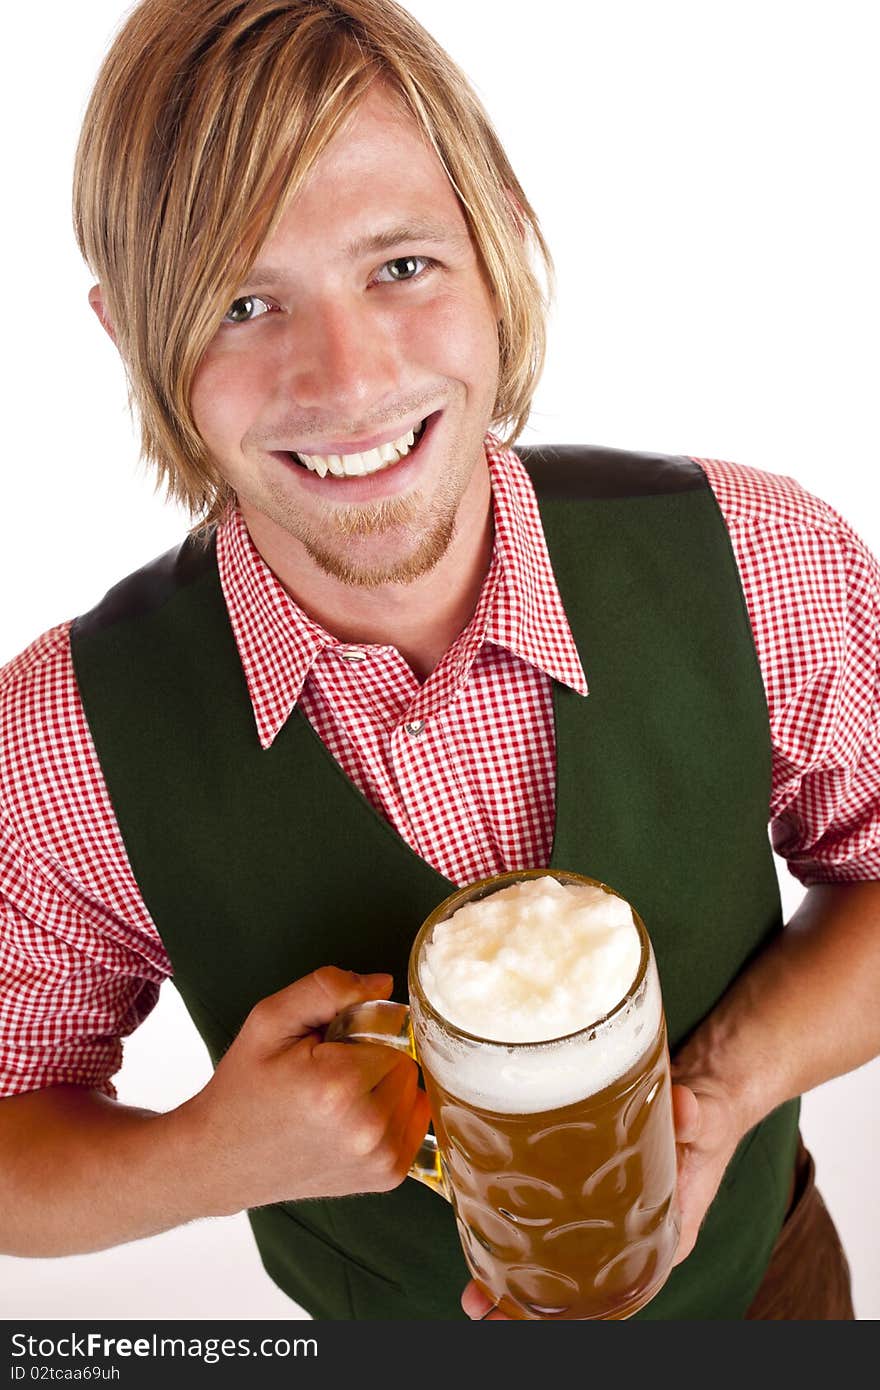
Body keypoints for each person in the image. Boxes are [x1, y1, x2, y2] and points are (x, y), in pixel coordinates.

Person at [0, 0, 877, 1321]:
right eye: (245, 303)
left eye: (400, 266)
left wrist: (718, 1093)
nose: (348, 379)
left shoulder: (764, 561)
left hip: (771, 1296)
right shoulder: (60, 743)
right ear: (133, 340)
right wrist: (203, 1156)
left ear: (499, 234)